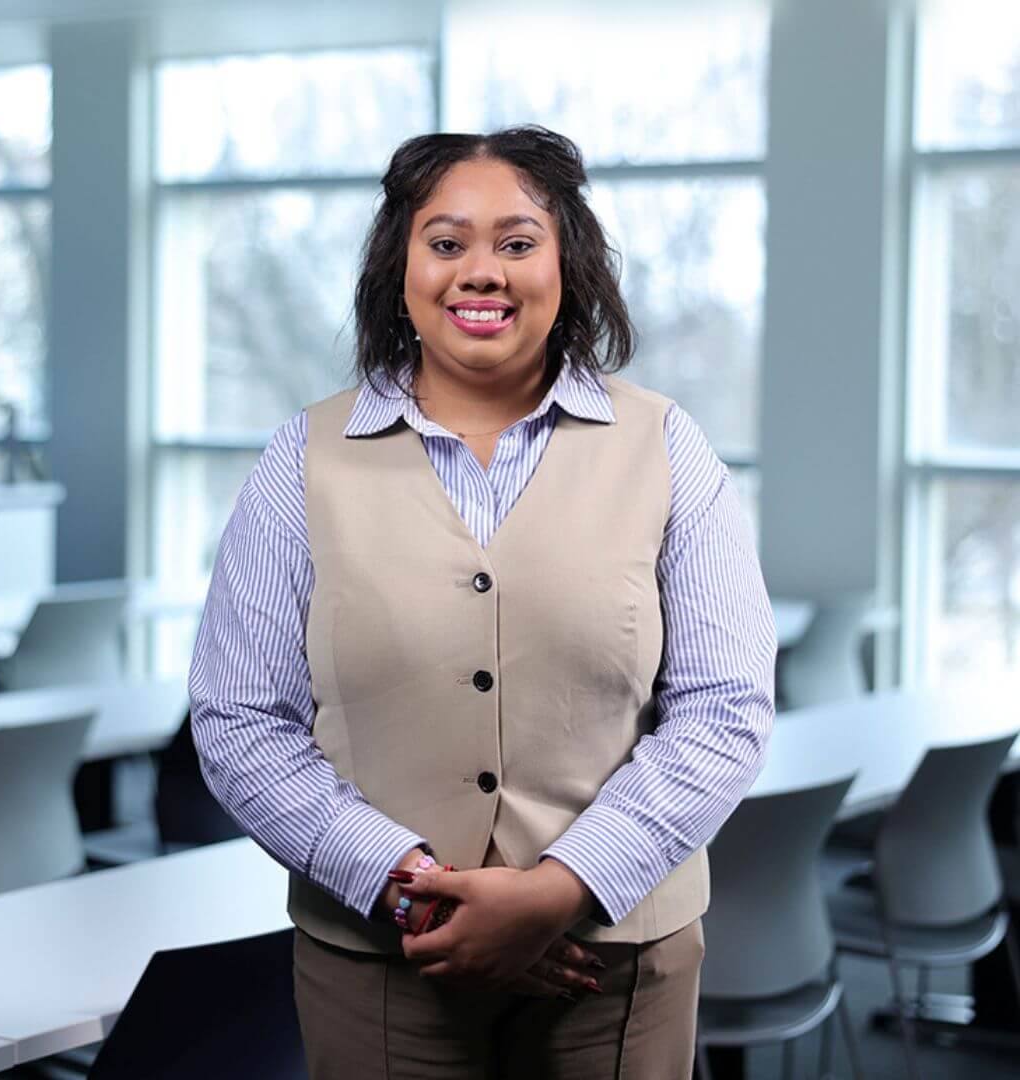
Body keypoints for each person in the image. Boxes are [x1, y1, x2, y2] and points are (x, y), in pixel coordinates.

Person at [188, 125, 776, 1079]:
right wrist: (408, 886)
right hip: (382, 968)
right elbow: (240, 718)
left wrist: (562, 889)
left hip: (612, 965)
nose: (481, 272)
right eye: (446, 241)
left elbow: (725, 708)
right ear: (402, 268)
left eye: (517, 242)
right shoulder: (301, 459)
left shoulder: (669, 448)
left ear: (567, 265)